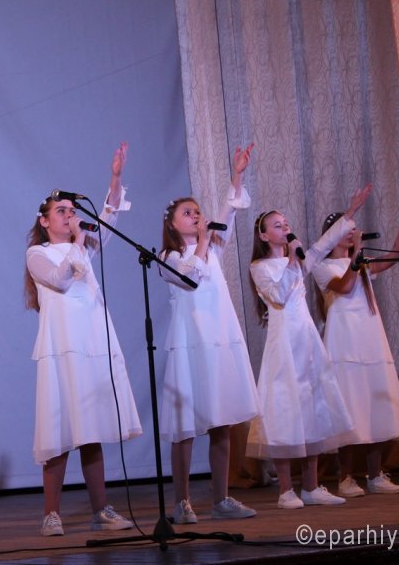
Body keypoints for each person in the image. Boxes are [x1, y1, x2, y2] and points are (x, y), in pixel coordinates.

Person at [23, 142, 142, 536]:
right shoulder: (38, 254)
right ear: (45, 220)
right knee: (58, 431)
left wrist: (115, 178)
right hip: (61, 349)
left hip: (90, 345)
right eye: (62, 211)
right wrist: (77, 242)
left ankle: (100, 509)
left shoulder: (84, 247)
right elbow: (59, 280)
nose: (70, 215)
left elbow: (109, 217)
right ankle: (51, 513)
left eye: (72, 211)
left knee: (90, 430)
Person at [246, 184, 371, 509]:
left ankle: (312, 486)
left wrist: (350, 213)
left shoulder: (300, 260)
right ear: (264, 235)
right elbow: (278, 295)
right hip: (284, 344)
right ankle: (286, 489)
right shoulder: (260, 267)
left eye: (285, 223)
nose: (284, 227)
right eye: (277, 225)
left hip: (307, 341)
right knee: (285, 410)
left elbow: (325, 243)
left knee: (313, 407)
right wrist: (293, 258)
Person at [157, 144, 260, 523]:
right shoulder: (168, 258)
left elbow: (229, 211)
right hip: (190, 344)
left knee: (222, 420)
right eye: (188, 213)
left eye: (198, 211)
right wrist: (203, 240)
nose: (197, 216)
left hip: (218, 341)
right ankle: (181, 501)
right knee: (185, 426)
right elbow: (190, 278)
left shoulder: (212, 247)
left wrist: (237, 175)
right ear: (172, 224)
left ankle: (221, 498)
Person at [313, 203, 399, 498]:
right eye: (346, 230)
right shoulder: (322, 266)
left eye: (353, 230)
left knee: (375, 404)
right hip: (343, 342)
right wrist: (357, 256)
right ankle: (345, 477)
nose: (352, 234)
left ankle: (375, 474)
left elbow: (392, 258)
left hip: (369, 337)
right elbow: (344, 287)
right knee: (349, 404)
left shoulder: (361, 263)